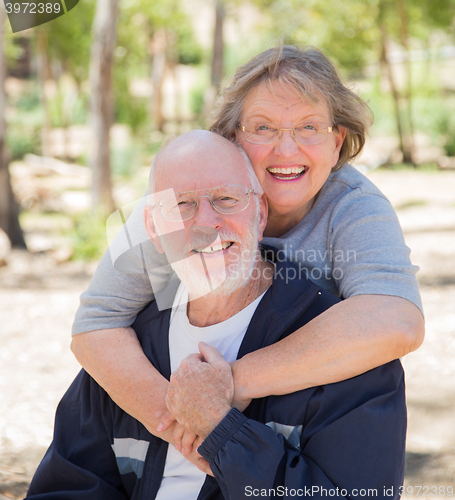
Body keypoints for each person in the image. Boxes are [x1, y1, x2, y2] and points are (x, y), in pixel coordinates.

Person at [70, 45, 424, 452]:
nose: (286, 150)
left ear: (337, 141)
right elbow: (96, 323)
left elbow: (398, 319)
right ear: (232, 136)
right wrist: (178, 424)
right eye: (263, 128)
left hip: (303, 427)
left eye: (309, 127)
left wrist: (229, 383)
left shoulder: (354, 206)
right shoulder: (177, 206)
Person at [27, 131, 407, 500]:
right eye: (181, 205)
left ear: (260, 215)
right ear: (154, 231)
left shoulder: (346, 355)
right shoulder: (128, 353)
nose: (206, 222)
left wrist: (223, 434)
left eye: (226, 199)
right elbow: (66, 486)